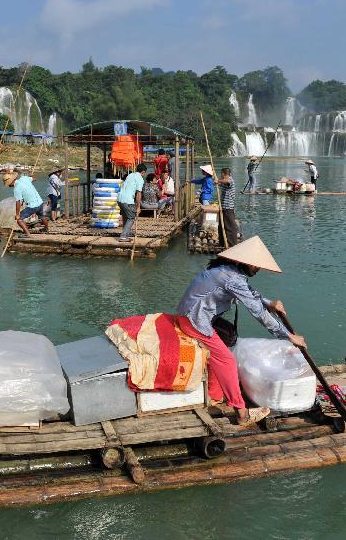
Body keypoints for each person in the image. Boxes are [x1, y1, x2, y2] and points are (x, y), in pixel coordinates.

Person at [176, 236, 306, 427]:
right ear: (243, 261)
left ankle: (215, 394)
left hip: (194, 315)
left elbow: (250, 293)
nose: (257, 269)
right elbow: (258, 313)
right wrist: (288, 336)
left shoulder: (226, 269)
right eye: (255, 266)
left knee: (226, 344)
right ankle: (242, 413)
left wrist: (270, 303)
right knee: (228, 361)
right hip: (195, 321)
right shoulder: (231, 277)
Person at [6, 171, 49, 237]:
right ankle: (46, 229)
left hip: (32, 206)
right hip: (40, 202)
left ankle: (28, 234)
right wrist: (30, 177)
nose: (9, 186)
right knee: (41, 215)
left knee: (19, 219)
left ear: (11, 182)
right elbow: (34, 179)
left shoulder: (16, 189)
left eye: (8, 184)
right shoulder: (24, 178)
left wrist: (17, 214)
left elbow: (18, 202)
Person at [117, 163, 146, 242]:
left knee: (125, 216)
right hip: (127, 200)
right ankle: (123, 236)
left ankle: (126, 232)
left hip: (119, 198)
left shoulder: (130, 175)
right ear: (143, 172)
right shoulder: (140, 179)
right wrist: (138, 207)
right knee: (131, 218)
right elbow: (139, 193)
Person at [218, 167, 238, 246]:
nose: (221, 175)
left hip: (228, 207)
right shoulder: (224, 181)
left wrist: (218, 180)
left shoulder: (230, 180)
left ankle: (232, 243)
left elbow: (227, 181)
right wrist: (216, 180)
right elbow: (220, 183)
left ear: (223, 173)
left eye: (221, 174)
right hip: (223, 207)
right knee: (222, 225)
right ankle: (222, 242)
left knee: (230, 226)